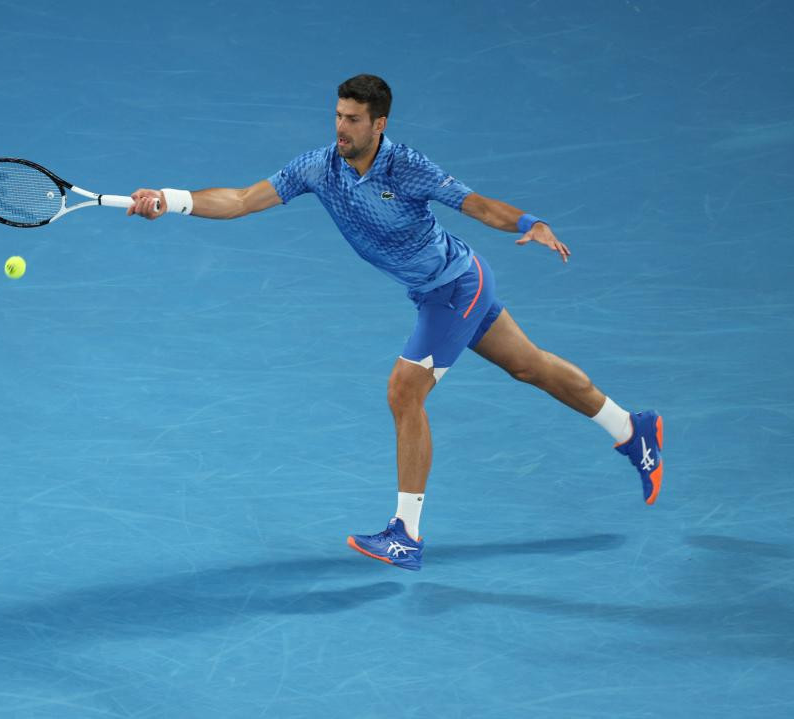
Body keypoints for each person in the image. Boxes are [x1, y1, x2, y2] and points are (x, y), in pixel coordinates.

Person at [127, 74, 663, 571]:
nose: (341, 127)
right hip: (440, 289)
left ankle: (405, 534)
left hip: (456, 288)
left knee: (405, 392)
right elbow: (243, 199)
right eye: (337, 116)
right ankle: (629, 428)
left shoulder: (408, 167)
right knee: (532, 368)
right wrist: (171, 201)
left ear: (378, 124)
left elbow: (475, 205)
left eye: (353, 119)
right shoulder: (319, 167)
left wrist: (530, 223)